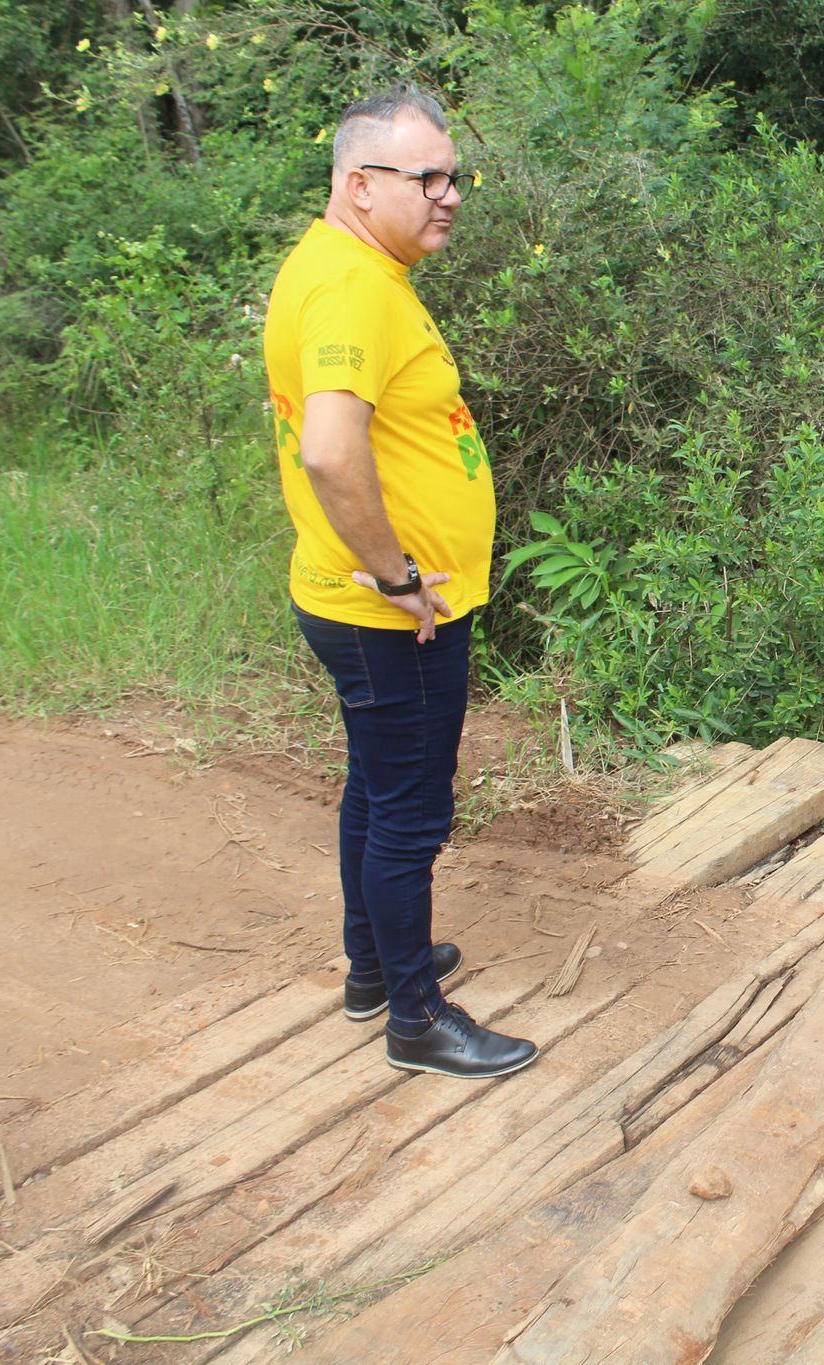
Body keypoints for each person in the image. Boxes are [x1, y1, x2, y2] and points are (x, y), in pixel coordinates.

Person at [262, 85, 536, 1079]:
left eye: (453, 176)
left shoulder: (342, 264)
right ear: (359, 183)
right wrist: (398, 579)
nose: (448, 194)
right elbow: (332, 454)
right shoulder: (350, 290)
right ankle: (415, 1020)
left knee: (375, 791)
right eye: (425, 177)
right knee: (410, 811)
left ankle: (376, 967)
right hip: (390, 612)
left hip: (358, 601)